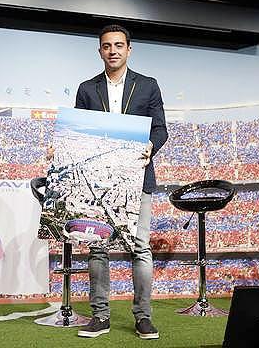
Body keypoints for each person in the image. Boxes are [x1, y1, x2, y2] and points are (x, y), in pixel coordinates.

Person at [74, 24, 168, 339]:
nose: (112, 51)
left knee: (139, 248)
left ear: (129, 49)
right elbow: (79, 132)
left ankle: (143, 316)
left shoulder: (148, 85)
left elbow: (160, 129)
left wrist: (151, 146)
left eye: (118, 45)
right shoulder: (87, 89)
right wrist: (63, 146)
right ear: (100, 51)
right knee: (98, 247)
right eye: (106, 46)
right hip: (99, 181)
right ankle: (100, 316)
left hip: (137, 177)